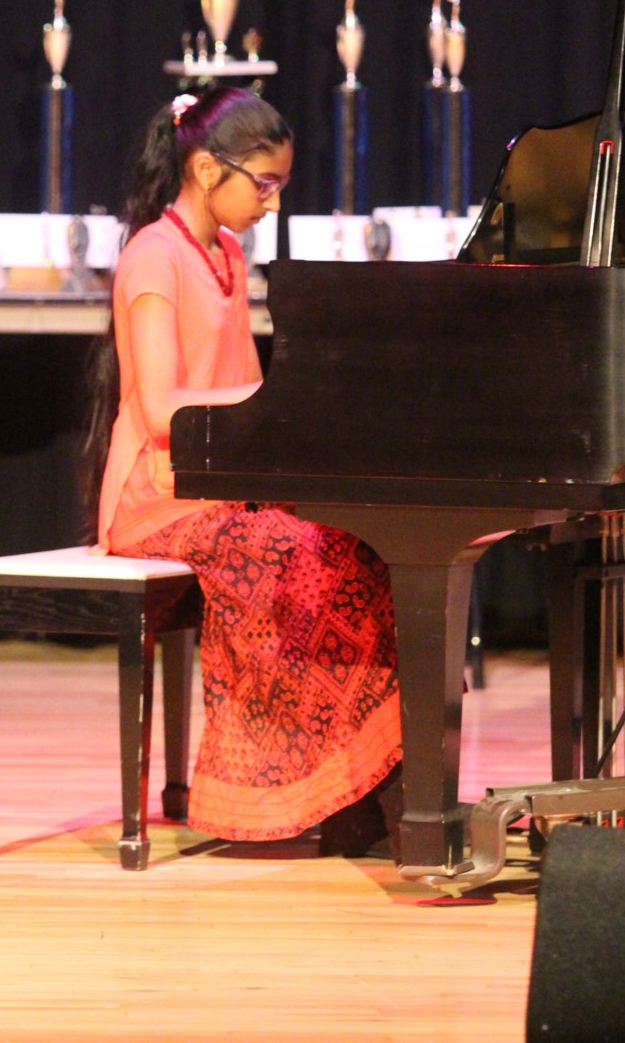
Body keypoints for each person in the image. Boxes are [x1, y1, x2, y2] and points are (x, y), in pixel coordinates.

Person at [83, 84, 402, 855]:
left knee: (356, 544)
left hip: (217, 487)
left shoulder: (225, 255)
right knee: (286, 557)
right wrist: (271, 397)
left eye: (279, 187)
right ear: (202, 169)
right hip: (156, 495)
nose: (270, 203)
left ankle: (363, 781)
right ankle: (277, 789)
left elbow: (246, 399)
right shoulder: (152, 258)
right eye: (262, 184)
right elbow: (162, 412)